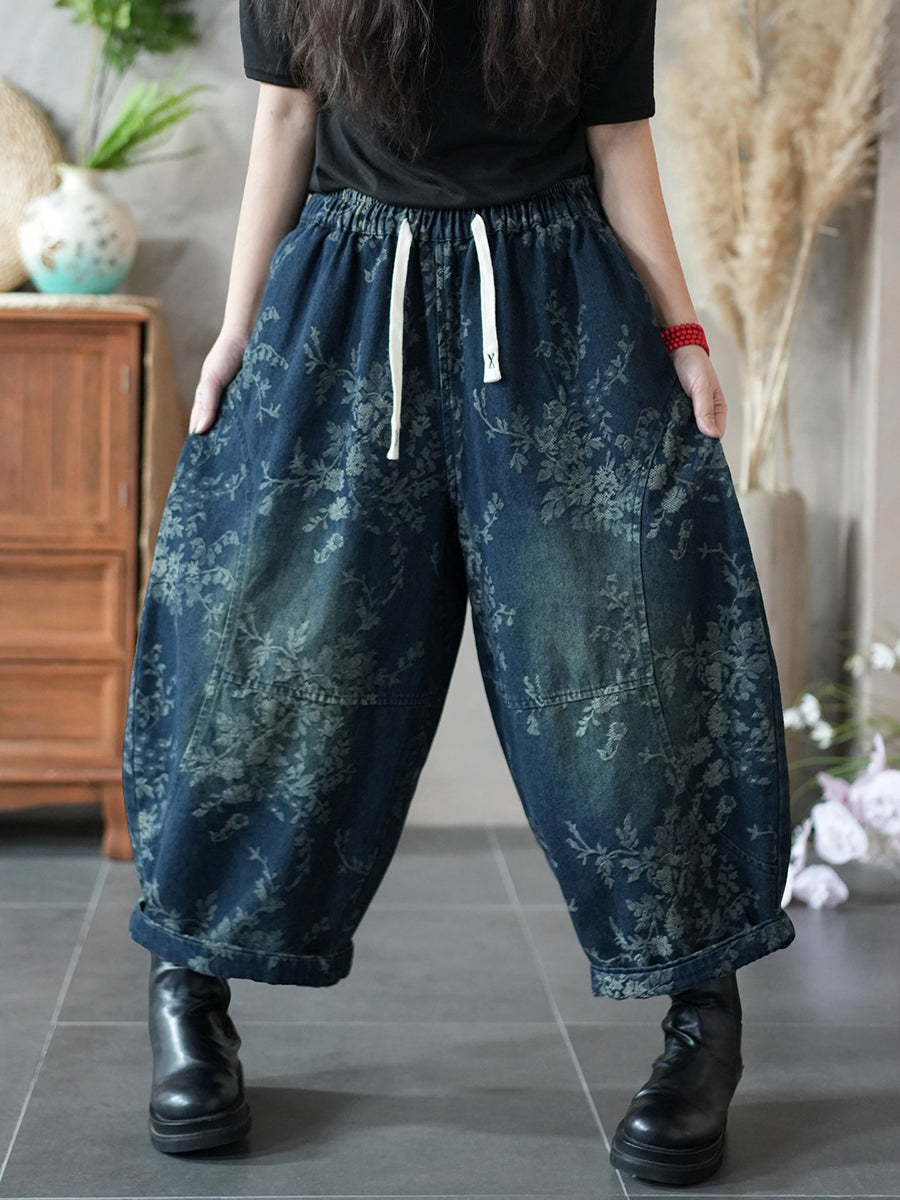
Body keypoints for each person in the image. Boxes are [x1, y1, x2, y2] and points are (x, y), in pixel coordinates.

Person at [122, 0, 796, 1185]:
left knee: (624, 667)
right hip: (344, 297)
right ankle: (191, 985)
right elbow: (285, 121)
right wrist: (235, 333)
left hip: (559, 300)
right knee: (269, 656)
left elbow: (618, 140)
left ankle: (703, 1016)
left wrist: (683, 331)